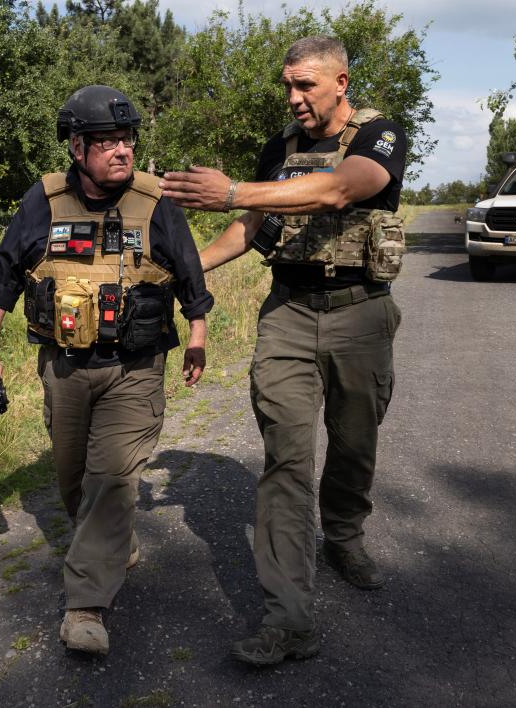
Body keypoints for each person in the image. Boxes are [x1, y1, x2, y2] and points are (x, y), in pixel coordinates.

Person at [160, 36, 407, 666]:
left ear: (341, 82)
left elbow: (342, 190)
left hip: (361, 313)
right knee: (286, 463)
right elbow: (248, 229)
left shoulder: (380, 135)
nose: (294, 98)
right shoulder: (280, 150)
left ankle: (345, 535)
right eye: (287, 86)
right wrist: (184, 273)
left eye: (306, 85)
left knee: (354, 444)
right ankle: (289, 618)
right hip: (290, 316)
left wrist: (234, 190)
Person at [0, 85, 212, 656]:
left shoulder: (156, 202)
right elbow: (4, 275)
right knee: (73, 477)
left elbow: (190, 273)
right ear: (77, 147)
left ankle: (85, 606)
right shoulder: (44, 201)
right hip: (65, 367)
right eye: (107, 142)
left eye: (127, 140)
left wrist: (197, 334)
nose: (122, 151)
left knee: (111, 479)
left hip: (136, 368)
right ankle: (108, 540)